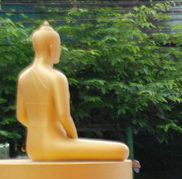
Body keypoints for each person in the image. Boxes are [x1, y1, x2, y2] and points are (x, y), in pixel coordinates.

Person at [16, 22, 128, 161]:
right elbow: (64, 116)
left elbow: (21, 116)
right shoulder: (56, 77)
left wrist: (40, 129)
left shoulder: (24, 76)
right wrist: (72, 138)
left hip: (33, 148)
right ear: (52, 47)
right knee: (122, 150)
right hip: (54, 145)